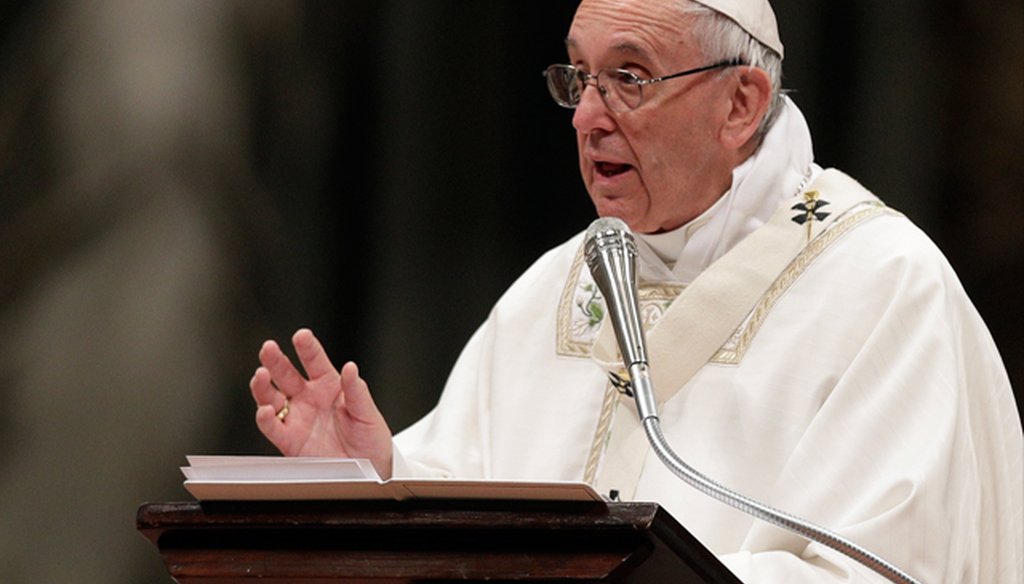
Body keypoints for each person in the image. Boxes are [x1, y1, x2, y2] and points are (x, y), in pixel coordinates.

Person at [249, 0, 1023, 581]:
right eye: (580, 77)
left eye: (628, 78)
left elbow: (885, 568)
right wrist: (380, 481)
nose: (587, 116)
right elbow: (476, 518)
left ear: (741, 104)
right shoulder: (552, 289)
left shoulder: (882, 287)